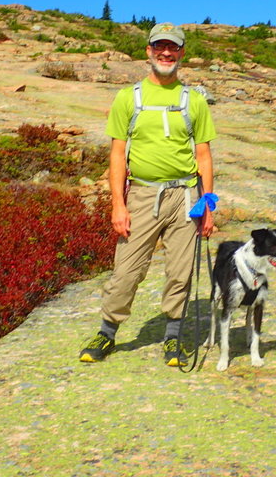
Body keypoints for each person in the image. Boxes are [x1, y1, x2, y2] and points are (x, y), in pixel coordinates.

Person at [80, 22, 216, 366]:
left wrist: (208, 205)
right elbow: (116, 154)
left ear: (182, 53)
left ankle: (173, 337)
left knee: (180, 271)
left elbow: (203, 156)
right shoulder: (129, 97)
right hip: (141, 195)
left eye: (173, 47)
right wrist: (118, 205)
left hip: (185, 197)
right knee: (126, 271)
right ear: (148, 52)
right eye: (160, 47)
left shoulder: (194, 100)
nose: (166, 53)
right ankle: (107, 332)